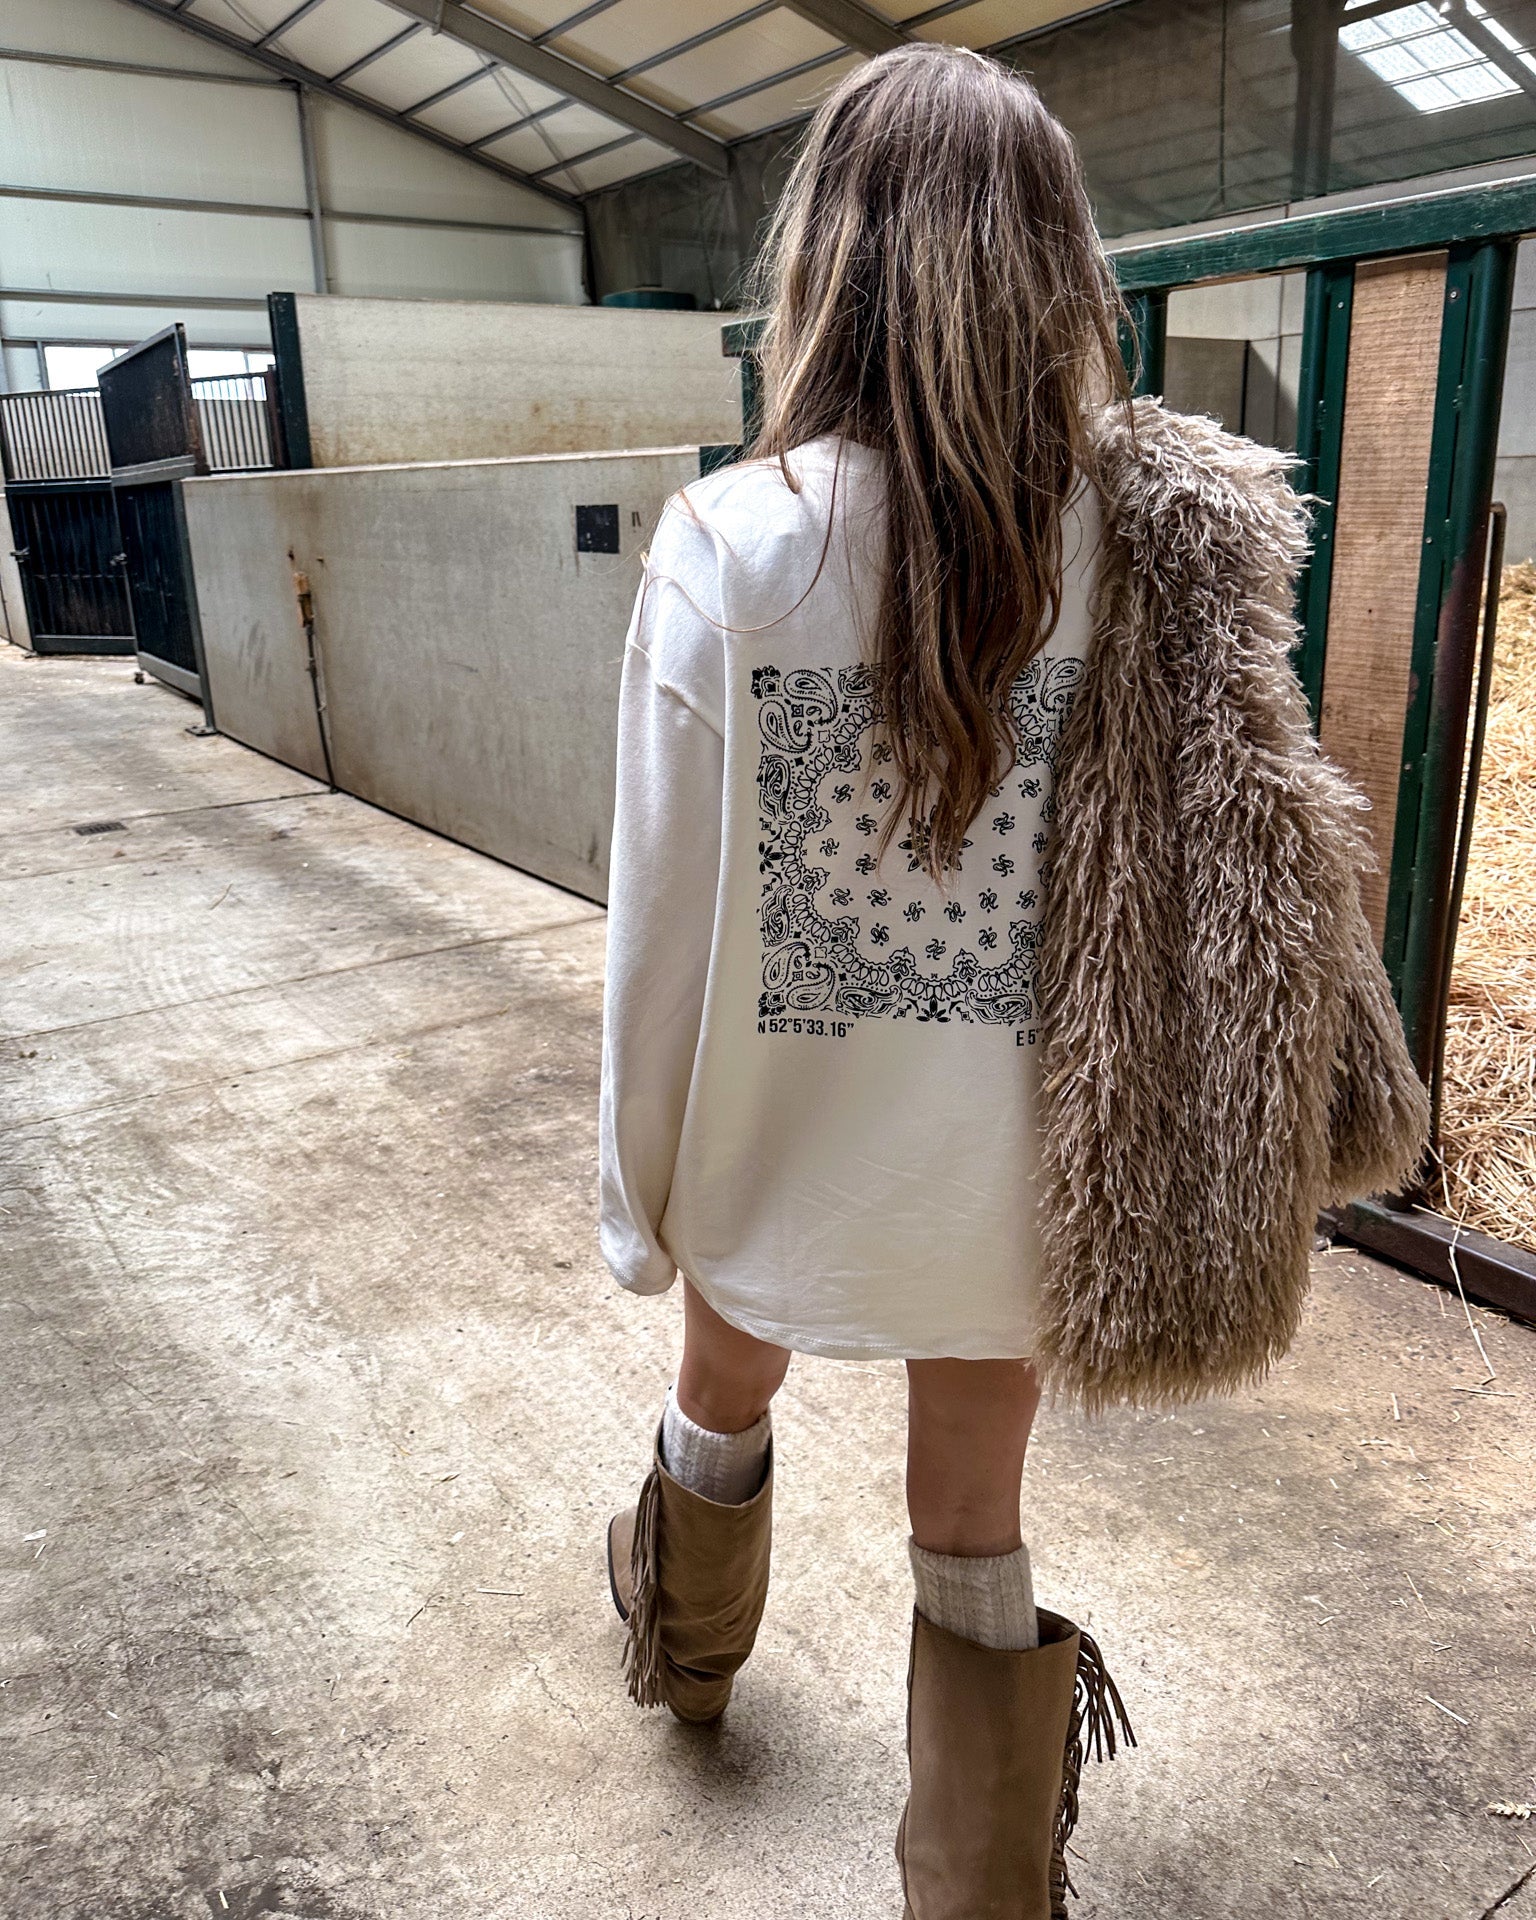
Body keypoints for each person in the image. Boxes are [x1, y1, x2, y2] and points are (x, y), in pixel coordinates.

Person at [598, 42, 1428, 1920]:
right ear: (1056, 263)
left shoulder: (733, 544)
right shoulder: (1142, 544)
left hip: (772, 1166)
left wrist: (640, 1199)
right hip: (1022, 1187)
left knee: (718, 1398)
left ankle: (689, 1662)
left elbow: (661, 917)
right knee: (972, 1521)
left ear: (830, 258)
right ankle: (980, 1888)